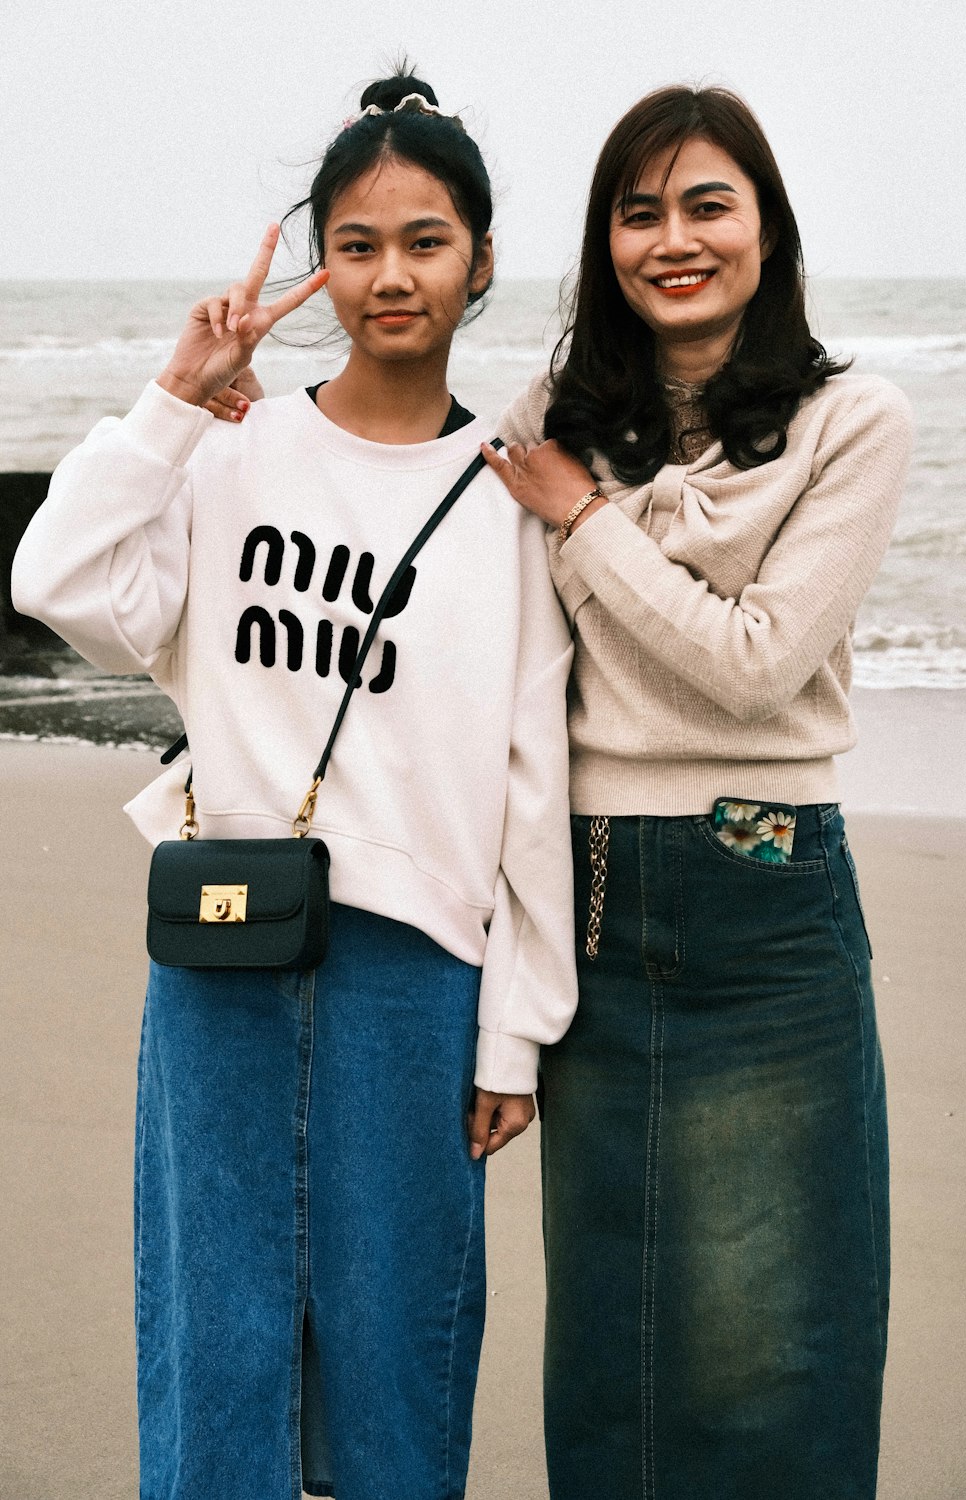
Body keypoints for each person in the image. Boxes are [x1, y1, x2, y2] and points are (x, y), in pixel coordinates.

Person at [11, 72, 577, 1500]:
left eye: (428, 239)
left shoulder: (512, 497)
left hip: (418, 980)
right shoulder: (234, 449)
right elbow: (53, 580)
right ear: (318, 257)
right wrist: (171, 403)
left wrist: (517, 1030)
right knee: (219, 1355)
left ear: (484, 259)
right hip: (223, 956)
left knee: (402, 1367)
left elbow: (530, 779)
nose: (392, 274)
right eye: (359, 241)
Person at [478, 85, 913, 1500]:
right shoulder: (552, 417)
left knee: (782, 1338)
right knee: (611, 1336)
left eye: (707, 203)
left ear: (767, 228)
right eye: (639, 209)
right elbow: (410, 528)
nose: (674, 238)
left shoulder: (856, 420)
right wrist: (225, 427)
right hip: (590, 896)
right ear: (606, 240)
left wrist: (587, 521)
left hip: (767, 896)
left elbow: (756, 664)